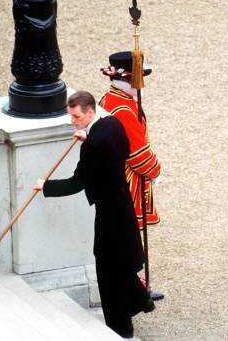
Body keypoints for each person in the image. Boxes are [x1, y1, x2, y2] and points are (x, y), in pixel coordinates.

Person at [33, 91, 154, 339]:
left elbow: (77, 182)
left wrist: (45, 186)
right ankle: (141, 301)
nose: (72, 121)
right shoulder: (112, 124)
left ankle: (120, 326)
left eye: (76, 116)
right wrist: (87, 137)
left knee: (109, 270)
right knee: (119, 264)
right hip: (122, 206)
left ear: (89, 112)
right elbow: (110, 146)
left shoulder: (94, 146)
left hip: (110, 215)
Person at [99, 51, 164, 300]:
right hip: (127, 181)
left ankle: (134, 285)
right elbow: (138, 155)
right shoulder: (124, 108)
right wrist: (156, 171)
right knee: (127, 240)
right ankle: (134, 289)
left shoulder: (111, 98)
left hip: (114, 175)